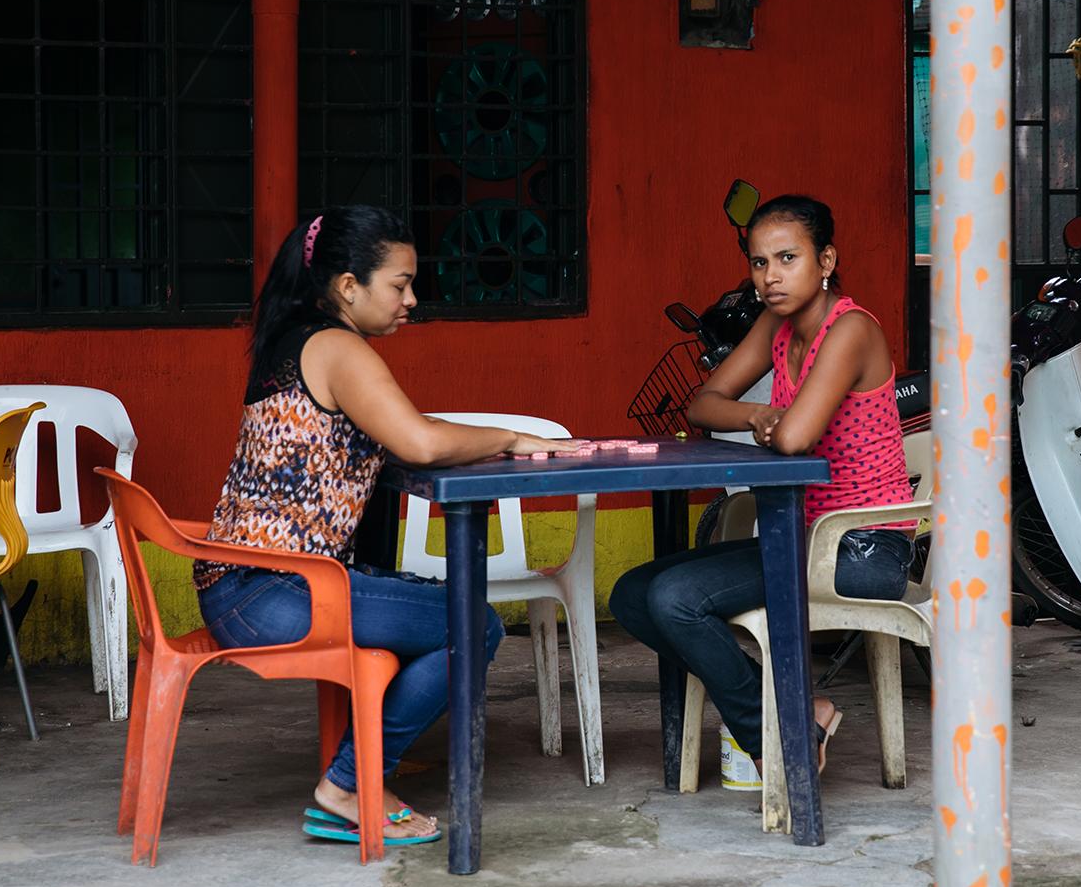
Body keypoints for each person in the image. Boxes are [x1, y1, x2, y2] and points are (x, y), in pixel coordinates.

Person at [200, 206, 582, 847]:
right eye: (399, 285)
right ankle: (348, 784)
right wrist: (515, 436)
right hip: (275, 594)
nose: (412, 300)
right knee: (473, 623)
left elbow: (402, 436)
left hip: (241, 587)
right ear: (349, 286)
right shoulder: (337, 346)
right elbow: (421, 442)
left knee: (437, 609)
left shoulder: (296, 338)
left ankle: (370, 756)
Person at [611, 194, 914, 792]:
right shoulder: (775, 325)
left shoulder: (850, 329)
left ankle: (774, 734)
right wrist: (756, 415)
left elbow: (797, 437)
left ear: (826, 259)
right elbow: (702, 403)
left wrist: (776, 421)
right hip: (800, 537)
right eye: (758, 262)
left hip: (864, 549)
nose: (770, 276)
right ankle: (796, 712)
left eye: (787, 258)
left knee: (675, 598)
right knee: (634, 593)